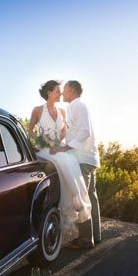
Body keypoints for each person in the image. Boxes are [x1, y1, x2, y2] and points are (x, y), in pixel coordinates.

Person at [28, 80, 92, 240]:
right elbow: (30, 132)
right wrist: (41, 141)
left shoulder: (63, 111)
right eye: (58, 90)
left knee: (68, 159)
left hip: (57, 147)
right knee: (65, 160)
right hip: (43, 149)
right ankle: (75, 203)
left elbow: (64, 132)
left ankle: (77, 202)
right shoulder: (37, 110)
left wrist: (57, 142)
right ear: (49, 92)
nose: (61, 93)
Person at [53, 80, 101, 248]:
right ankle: (96, 235)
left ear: (72, 90)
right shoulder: (76, 106)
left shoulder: (78, 106)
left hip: (82, 158)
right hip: (88, 157)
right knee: (91, 198)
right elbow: (77, 131)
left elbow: (85, 131)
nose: (62, 93)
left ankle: (86, 240)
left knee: (81, 199)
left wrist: (67, 146)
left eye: (64, 89)